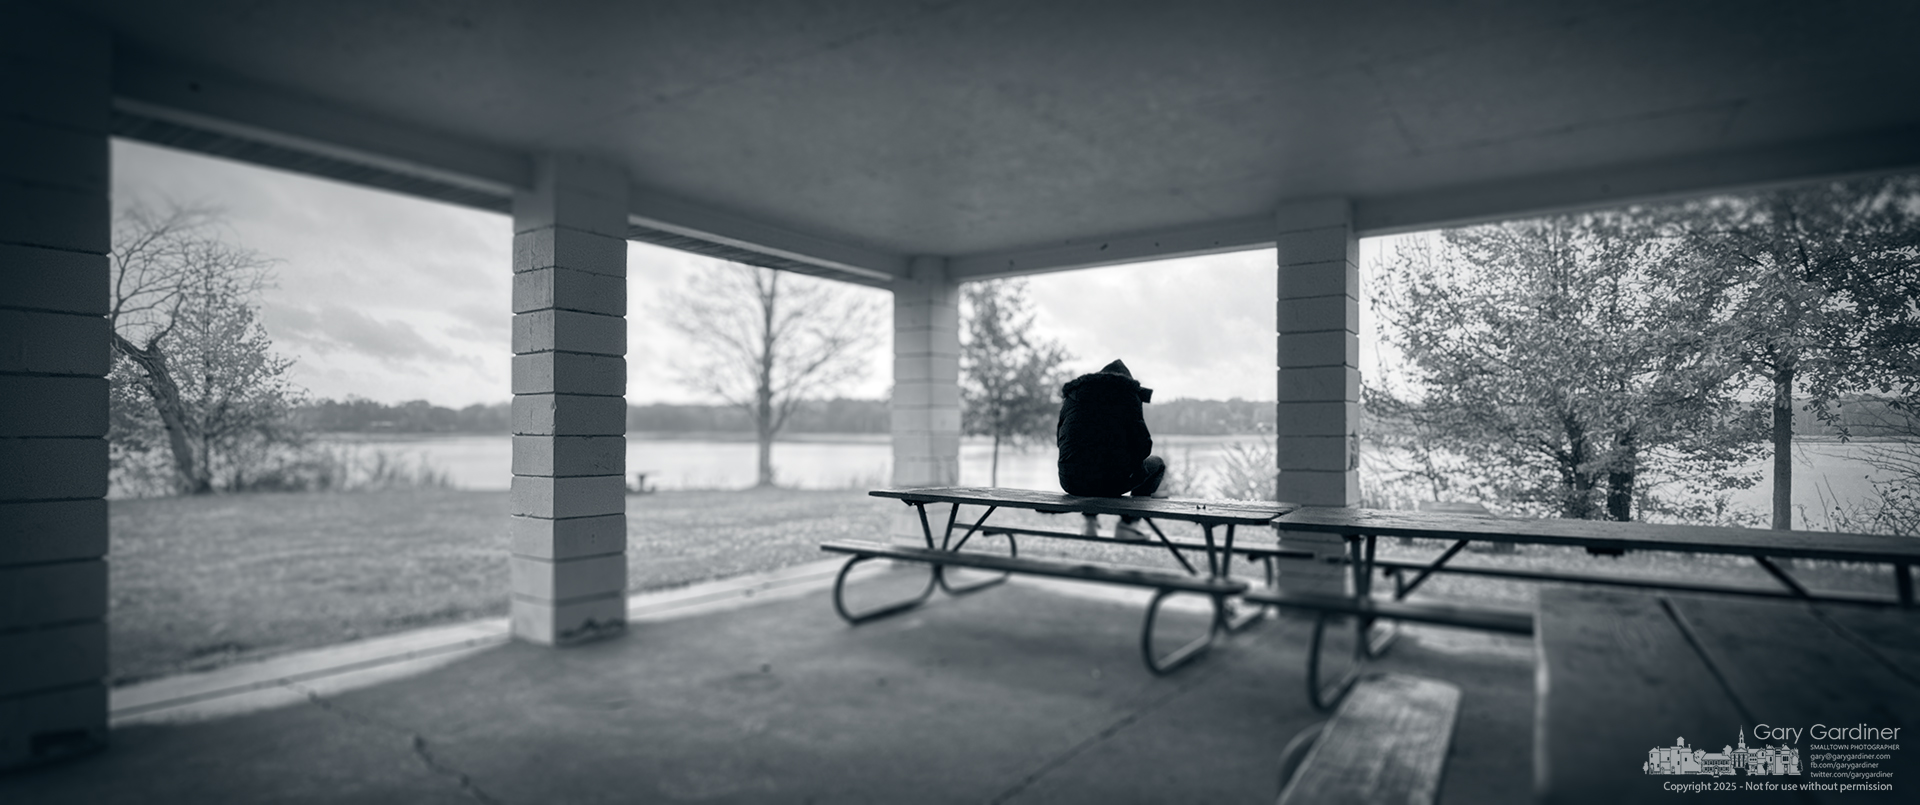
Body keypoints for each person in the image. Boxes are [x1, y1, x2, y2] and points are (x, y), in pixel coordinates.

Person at [1056, 359, 1166, 541]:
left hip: (1070, 482)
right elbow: (1143, 445)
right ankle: (1127, 525)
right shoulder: (1128, 395)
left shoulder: (1073, 396)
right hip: (1110, 484)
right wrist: (1129, 464)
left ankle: (1089, 524)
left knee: (1086, 461)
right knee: (1157, 464)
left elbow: (1061, 441)